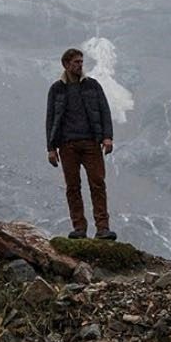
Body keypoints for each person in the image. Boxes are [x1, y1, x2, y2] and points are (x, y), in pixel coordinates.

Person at [46, 47, 117, 240]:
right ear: (66, 64)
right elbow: (50, 119)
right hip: (67, 145)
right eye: (76, 62)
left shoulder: (92, 86)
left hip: (91, 143)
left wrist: (107, 137)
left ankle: (102, 228)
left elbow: (104, 112)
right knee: (73, 187)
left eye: (81, 62)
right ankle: (79, 228)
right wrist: (51, 148)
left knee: (97, 183)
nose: (80, 65)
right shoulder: (56, 89)